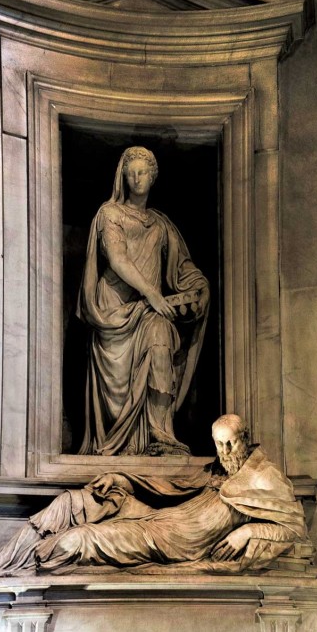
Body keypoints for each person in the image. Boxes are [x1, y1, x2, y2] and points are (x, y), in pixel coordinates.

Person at [0, 415, 308, 577]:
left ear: (246, 437)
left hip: (164, 542)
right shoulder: (218, 471)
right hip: (155, 517)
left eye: (231, 442)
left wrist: (248, 530)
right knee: (73, 502)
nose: (225, 450)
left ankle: (22, 567)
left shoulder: (264, 477)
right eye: (219, 443)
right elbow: (173, 489)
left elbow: (294, 529)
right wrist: (122, 480)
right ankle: (1, 561)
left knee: (80, 540)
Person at [76, 146, 210, 456]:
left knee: (161, 338)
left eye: (143, 173)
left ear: (153, 177)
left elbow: (182, 268)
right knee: (124, 375)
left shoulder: (161, 225)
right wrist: (152, 293)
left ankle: (160, 433)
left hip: (150, 311)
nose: (137, 178)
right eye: (131, 173)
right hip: (114, 310)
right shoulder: (110, 213)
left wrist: (200, 287)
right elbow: (117, 258)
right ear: (123, 177)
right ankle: (121, 441)